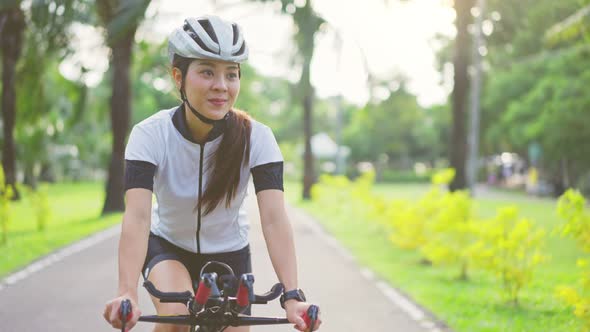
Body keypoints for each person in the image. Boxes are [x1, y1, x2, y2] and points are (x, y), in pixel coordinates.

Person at [103, 15, 322, 332]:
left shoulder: (257, 138)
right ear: (179, 77)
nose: (221, 85)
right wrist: (127, 292)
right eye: (207, 72)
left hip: (230, 255)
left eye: (231, 74)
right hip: (168, 248)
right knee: (176, 317)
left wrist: (292, 295)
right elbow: (137, 217)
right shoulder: (149, 135)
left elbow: (274, 218)